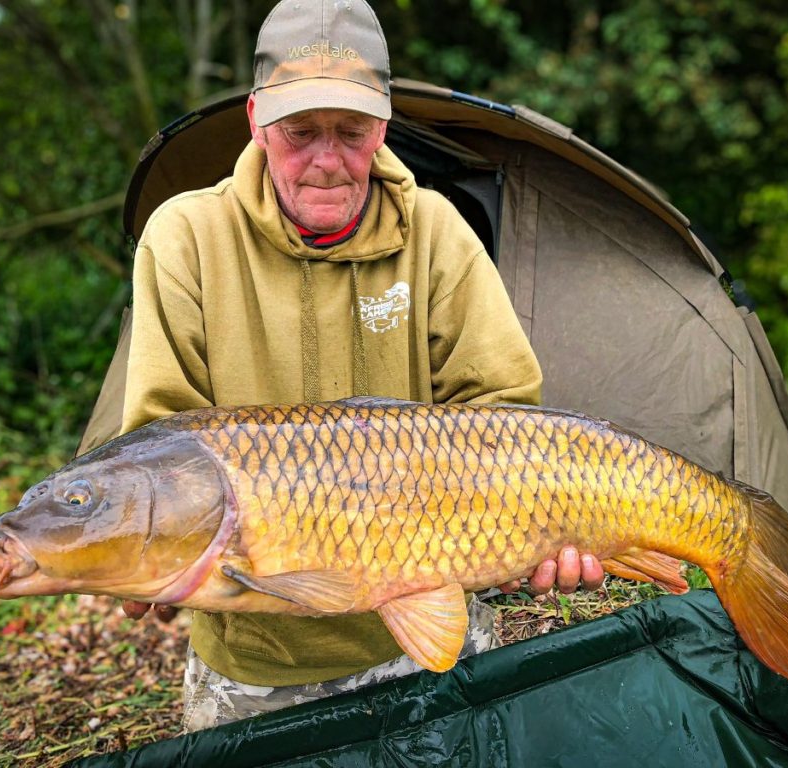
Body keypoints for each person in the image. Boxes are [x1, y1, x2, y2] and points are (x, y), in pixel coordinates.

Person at [119, 0, 603, 731]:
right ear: (255, 120)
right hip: (256, 661)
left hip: (425, 632)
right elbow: (162, 442)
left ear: (383, 125)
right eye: (300, 132)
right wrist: (144, 554)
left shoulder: (437, 231)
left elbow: (503, 414)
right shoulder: (184, 237)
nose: (326, 159)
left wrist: (545, 529)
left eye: (351, 133)